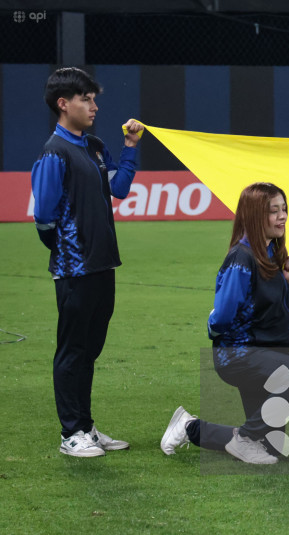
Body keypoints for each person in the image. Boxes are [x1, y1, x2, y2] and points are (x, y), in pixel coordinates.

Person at [31, 67, 144, 457]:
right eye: (86, 99)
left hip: (102, 266)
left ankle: (86, 427)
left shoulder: (94, 146)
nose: (94, 106)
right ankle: (70, 434)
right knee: (72, 351)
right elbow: (44, 219)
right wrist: (67, 253)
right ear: (64, 104)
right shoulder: (54, 153)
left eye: (94, 98)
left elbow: (119, 188)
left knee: (89, 351)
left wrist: (129, 146)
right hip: (75, 271)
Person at [160, 183, 289, 464]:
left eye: (284, 209)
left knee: (273, 448)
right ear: (255, 216)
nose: (282, 216)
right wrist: (211, 327)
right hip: (240, 357)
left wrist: (288, 281)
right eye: (273, 211)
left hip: (269, 356)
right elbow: (222, 317)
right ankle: (245, 438)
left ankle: (189, 427)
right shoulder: (241, 259)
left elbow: (286, 309)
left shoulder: (272, 254)